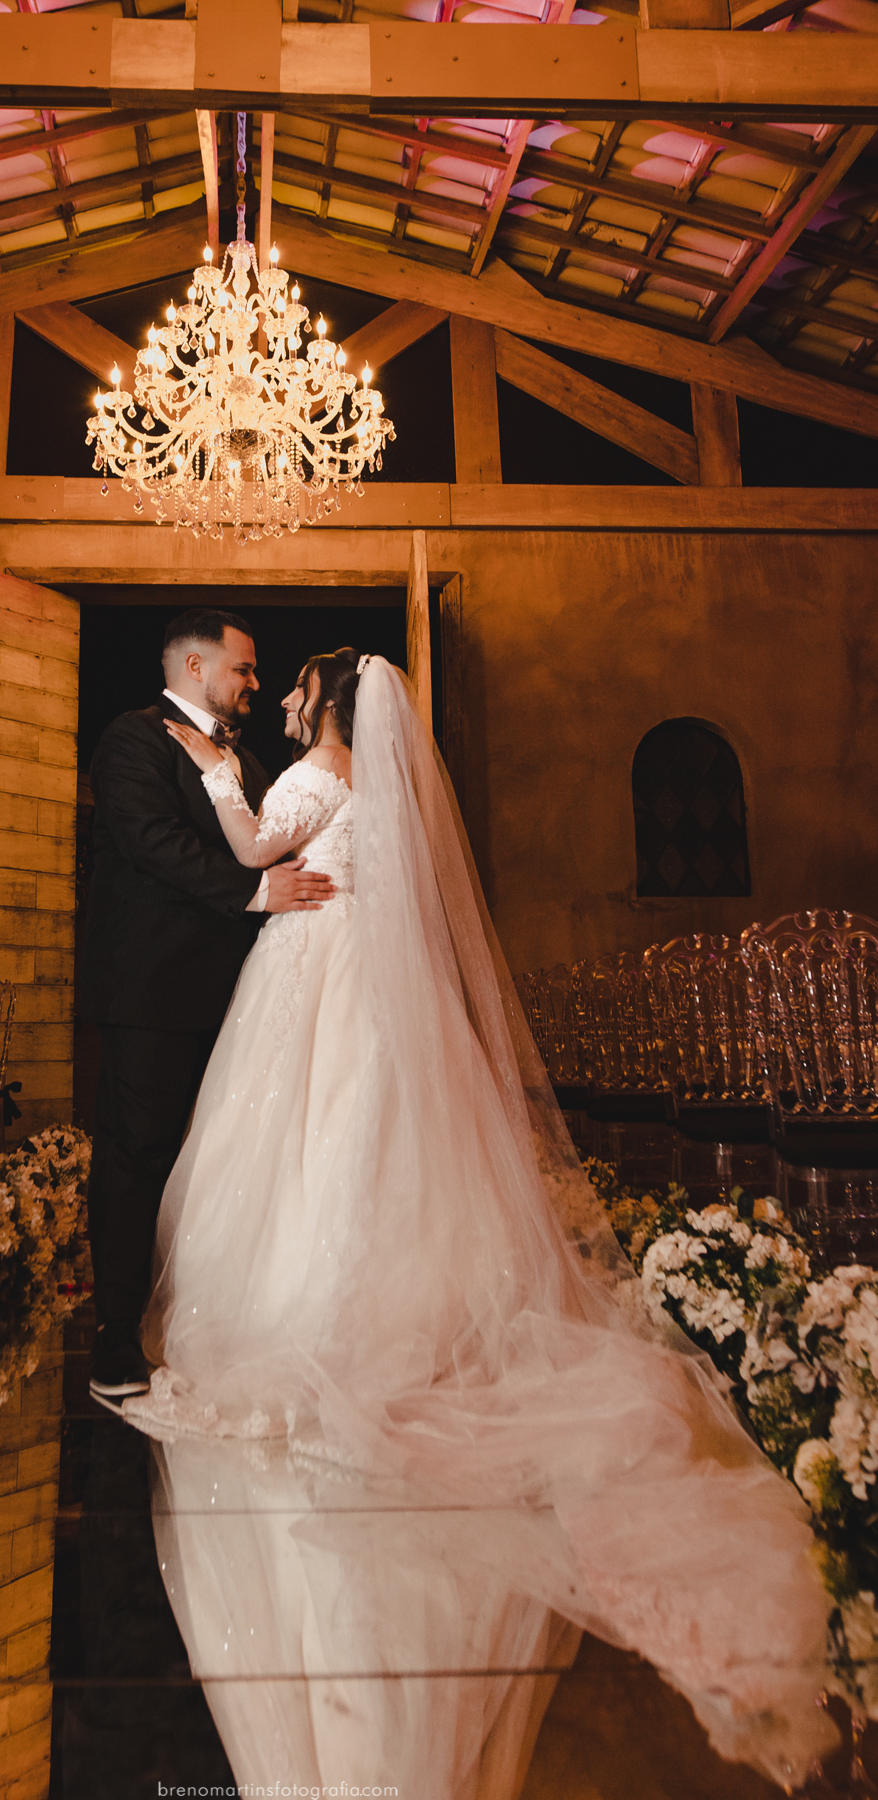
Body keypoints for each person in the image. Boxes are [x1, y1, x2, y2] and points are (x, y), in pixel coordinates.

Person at [121, 648, 837, 1790]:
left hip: (307, 968)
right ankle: (398, 1305)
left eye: (298, 689)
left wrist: (214, 771)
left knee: (307, 1147)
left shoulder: (312, 778)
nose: (288, 700)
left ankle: (315, 1315)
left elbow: (255, 848)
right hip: (360, 976)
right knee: (370, 1141)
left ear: (325, 706)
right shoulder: (376, 789)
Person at [81, 607, 335, 1409]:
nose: (257, 683)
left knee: (217, 1166)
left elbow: (275, 841)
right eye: (245, 669)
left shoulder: (250, 760)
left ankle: (192, 1322)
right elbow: (149, 838)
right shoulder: (131, 739)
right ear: (196, 669)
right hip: (154, 991)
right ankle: (116, 1337)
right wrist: (259, 889)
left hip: (239, 1000)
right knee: (138, 1154)